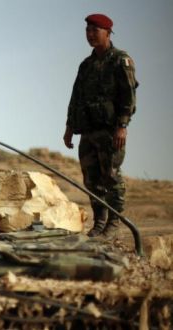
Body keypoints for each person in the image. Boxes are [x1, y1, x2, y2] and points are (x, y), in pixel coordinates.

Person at [63, 14, 138, 238]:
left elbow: (129, 96)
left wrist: (122, 126)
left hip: (110, 130)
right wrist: (69, 127)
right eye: (88, 30)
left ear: (107, 32)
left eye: (95, 30)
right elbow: (75, 97)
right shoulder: (85, 65)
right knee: (91, 180)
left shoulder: (120, 60)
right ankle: (99, 223)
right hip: (87, 130)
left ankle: (114, 224)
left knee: (111, 176)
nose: (90, 35)